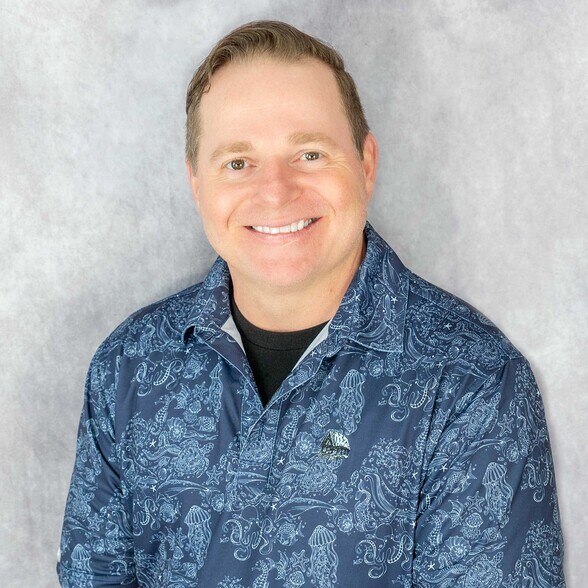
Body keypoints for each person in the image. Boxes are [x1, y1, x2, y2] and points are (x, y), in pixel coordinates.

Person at [57, 20, 565, 587]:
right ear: (197, 183)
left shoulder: (473, 382)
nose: (276, 191)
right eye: (237, 162)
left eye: (309, 154)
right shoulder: (128, 367)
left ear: (366, 165)